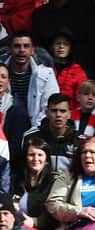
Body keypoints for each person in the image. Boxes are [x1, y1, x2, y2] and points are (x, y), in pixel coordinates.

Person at [4, 31, 59, 127]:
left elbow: (50, 106)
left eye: (26, 46)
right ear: (10, 49)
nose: (22, 50)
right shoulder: (1, 73)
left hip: (37, 129)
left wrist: (33, 133)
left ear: (32, 50)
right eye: (17, 46)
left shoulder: (46, 74)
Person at [21, 93, 81, 175]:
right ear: (46, 113)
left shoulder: (79, 140)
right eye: (54, 110)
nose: (58, 115)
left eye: (62, 111)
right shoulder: (31, 137)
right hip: (39, 186)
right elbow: (21, 169)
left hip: (68, 186)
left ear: (69, 114)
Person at [13, 135, 57, 230]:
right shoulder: (16, 179)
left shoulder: (54, 181)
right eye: (31, 154)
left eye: (40, 155)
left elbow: (54, 213)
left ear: (46, 159)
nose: (35, 158)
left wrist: (34, 222)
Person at [0, 62, 30, 190]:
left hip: (7, 168)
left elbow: (16, 145)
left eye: (3, 76)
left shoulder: (17, 108)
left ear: (9, 81)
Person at [48, 28, 88, 111]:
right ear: (52, 47)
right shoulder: (44, 69)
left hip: (70, 117)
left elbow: (82, 101)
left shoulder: (78, 72)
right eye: (58, 43)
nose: (61, 46)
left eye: (65, 44)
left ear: (70, 49)